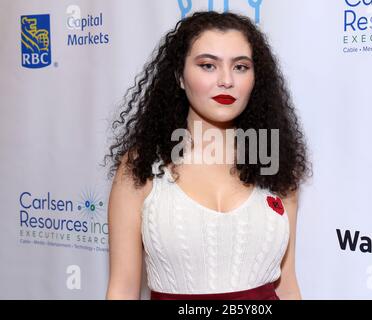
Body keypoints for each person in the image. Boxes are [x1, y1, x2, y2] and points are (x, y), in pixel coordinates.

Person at [104, 11, 311, 300]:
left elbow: (287, 286)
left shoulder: (275, 163)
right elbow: (123, 290)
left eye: (240, 67)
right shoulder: (141, 166)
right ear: (179, 75)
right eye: (208, 65)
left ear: (255, 78)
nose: (226, 80)